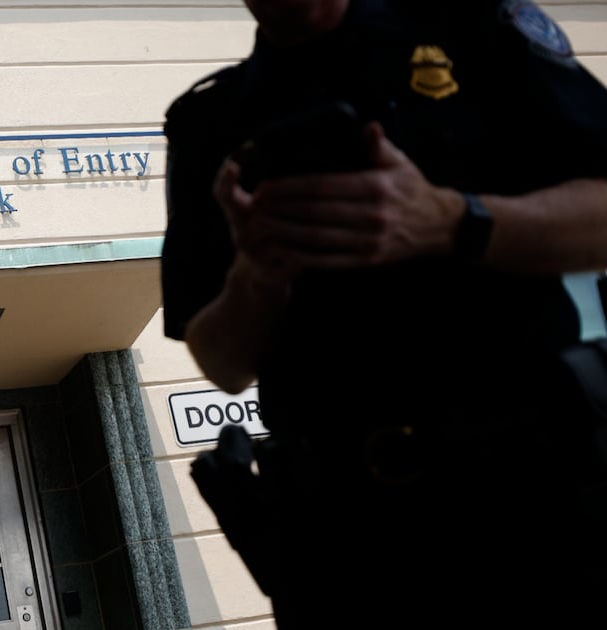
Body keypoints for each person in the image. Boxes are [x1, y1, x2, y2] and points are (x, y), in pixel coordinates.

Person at [161, 0, 607, 627]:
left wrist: (455, 221)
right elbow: (220, 361)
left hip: (541, 502)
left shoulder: (470, 31)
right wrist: (257, 278)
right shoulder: (210, 119)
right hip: (350, 541)